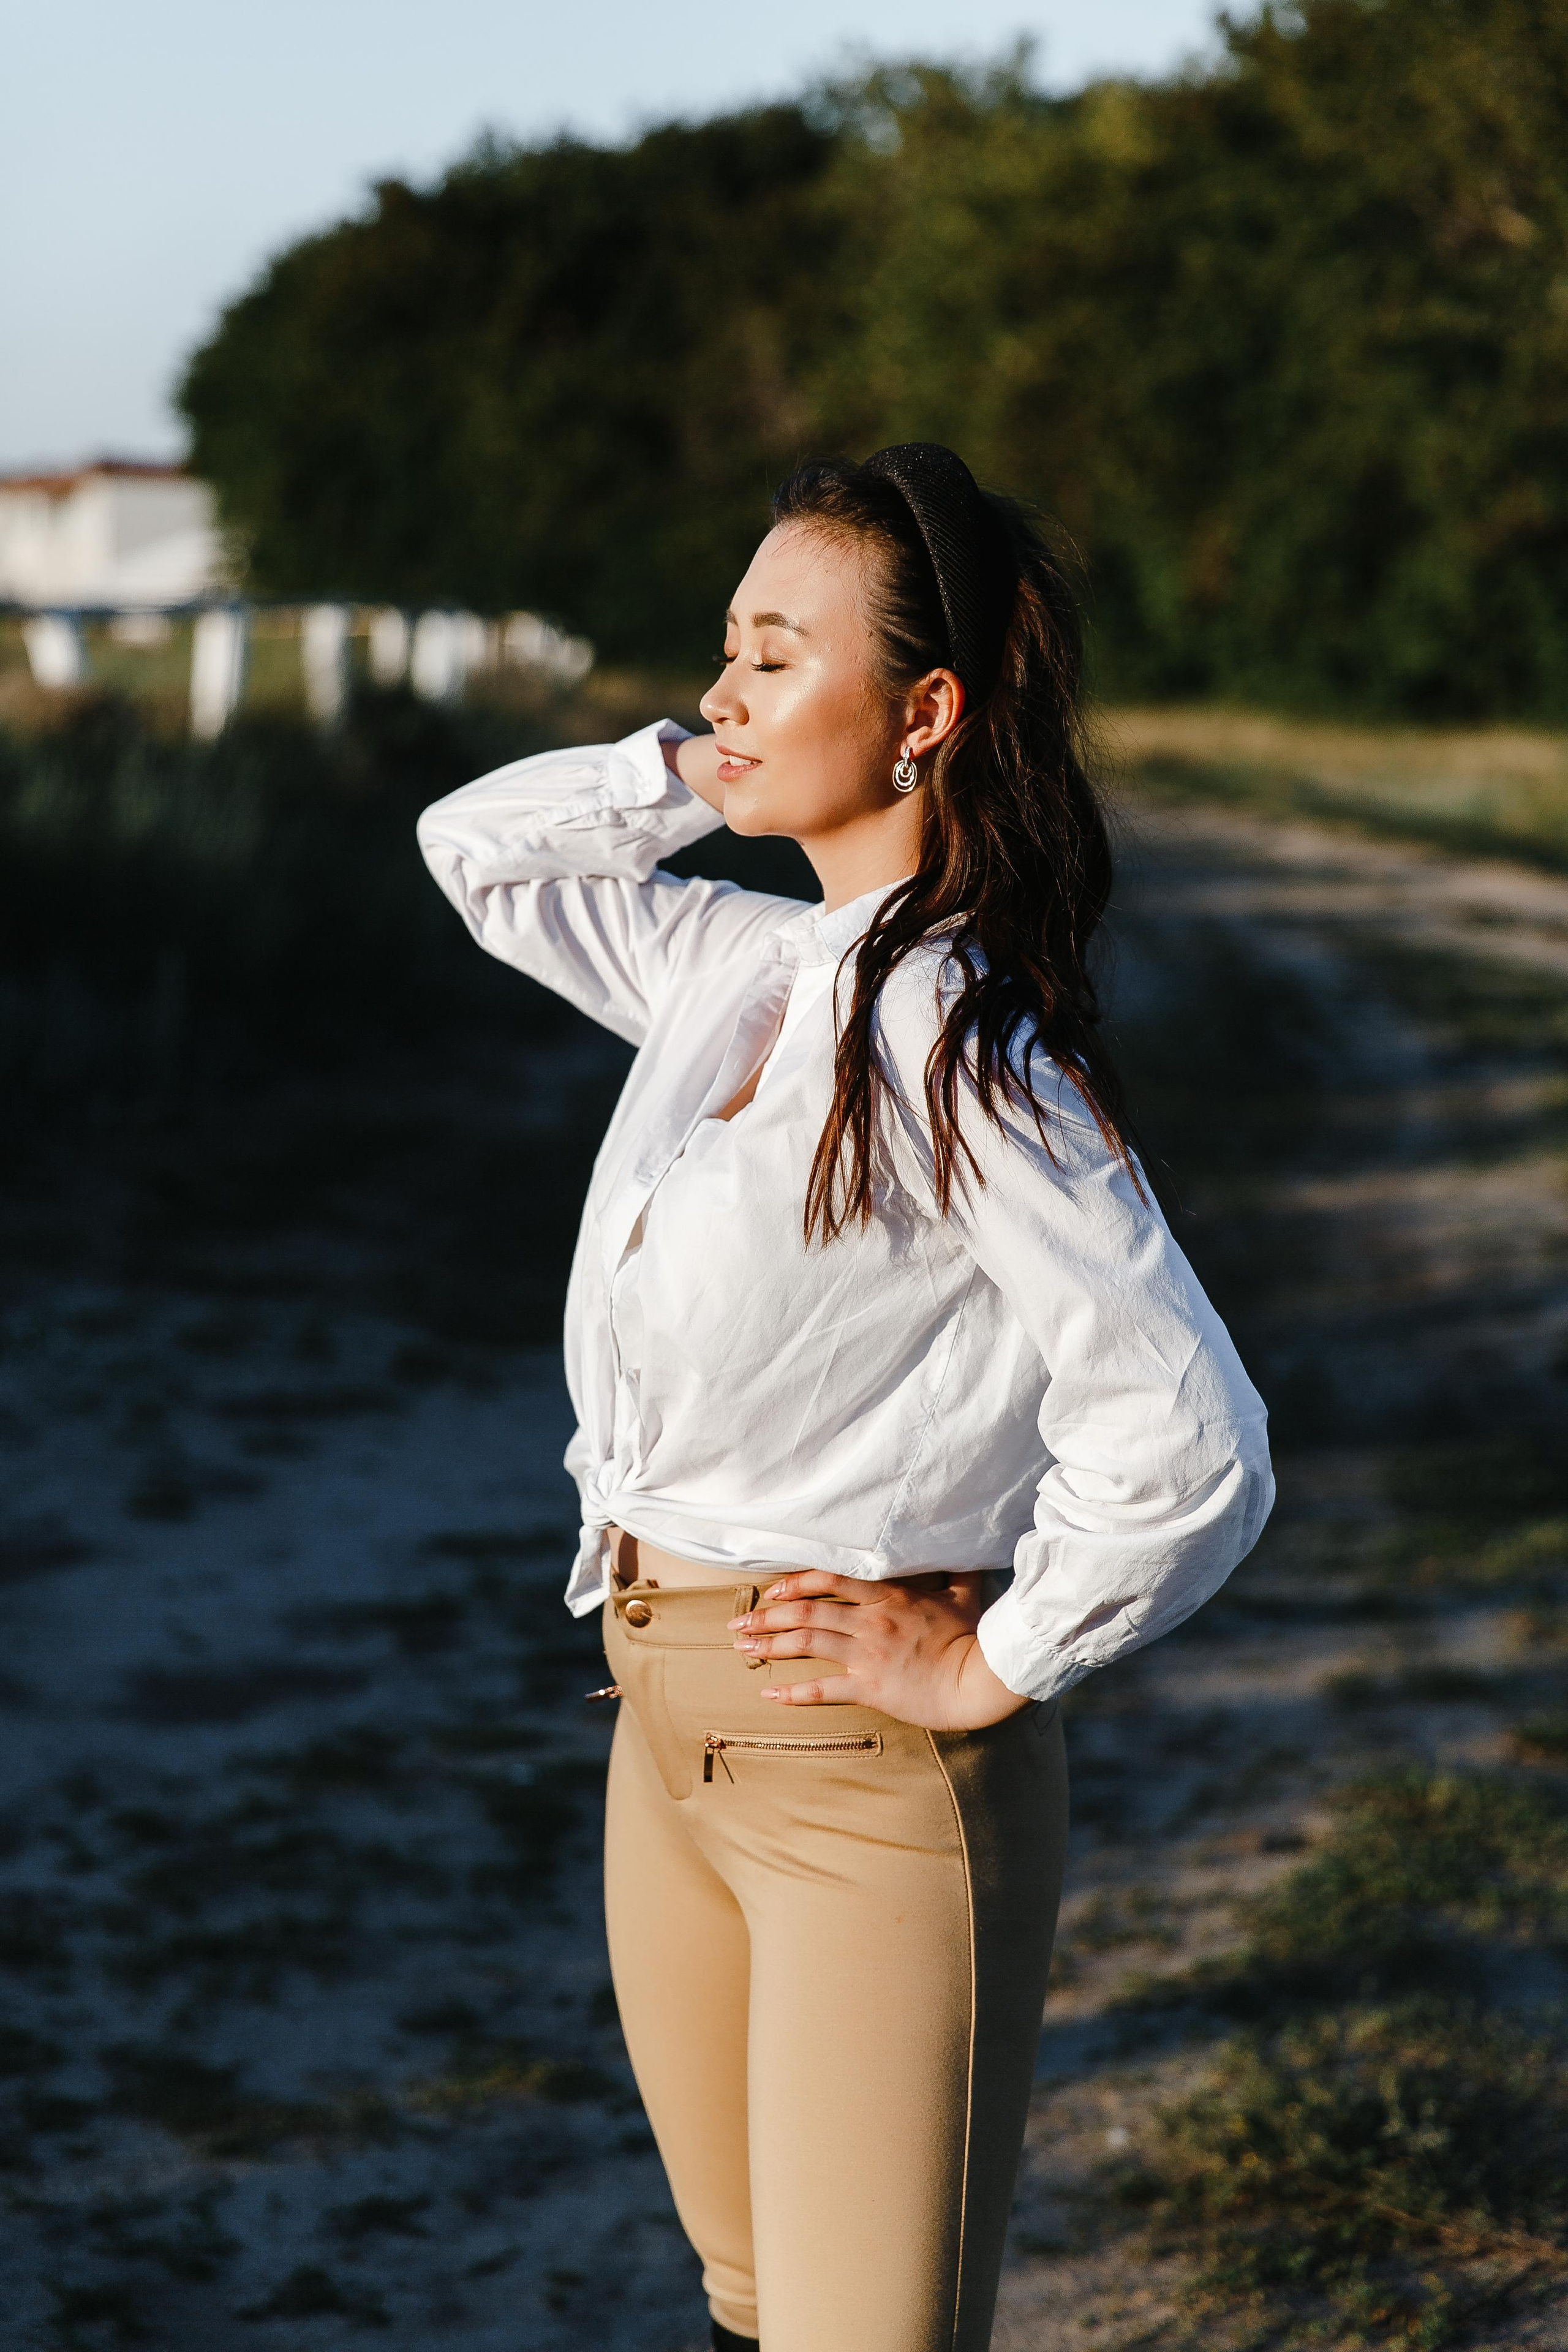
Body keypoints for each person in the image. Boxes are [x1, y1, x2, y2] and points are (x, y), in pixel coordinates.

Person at [417, 443, 1273, 2352]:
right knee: (746, 2308)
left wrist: (993, 1664)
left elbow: (1190, 1435)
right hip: (665, 1736)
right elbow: (475, 853)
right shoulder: (742, 969)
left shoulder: (961, 1042)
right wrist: (669, 773)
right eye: (723, 649)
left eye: (774, 657)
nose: (722, 695)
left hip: (871, 1789)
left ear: (925, 714)